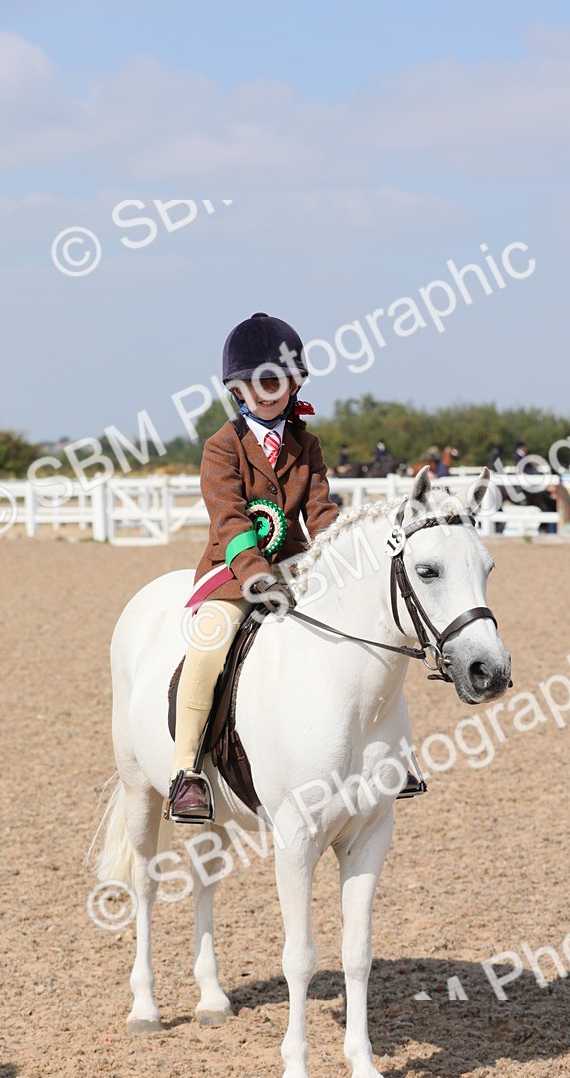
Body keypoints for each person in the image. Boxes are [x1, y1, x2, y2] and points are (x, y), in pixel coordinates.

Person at [167, 312, 340, 822]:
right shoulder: (222, 446)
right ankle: (186, 771)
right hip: (233, 570)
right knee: (209, 647)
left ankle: (383, 753)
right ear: (238, 388)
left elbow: (321, 511)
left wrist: (342, 551)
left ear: (294, 383)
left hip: (295, 567)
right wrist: (255, 573)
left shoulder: (307, 445)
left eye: (278, 380)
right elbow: (230, 516)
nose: (268, 391)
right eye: (257, 381)